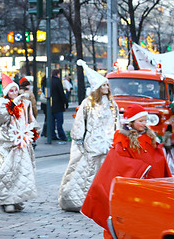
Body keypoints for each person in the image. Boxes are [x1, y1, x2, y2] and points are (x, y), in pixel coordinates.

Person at [81, 104, 172, 239]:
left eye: (145, 121)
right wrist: (140, 168)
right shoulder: (123, 140)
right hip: (132, 188)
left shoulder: (149, 137)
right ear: (131, 122)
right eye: (140, 121)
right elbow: (117, 163)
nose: (144, 124)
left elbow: (156, 158)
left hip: (147, 186)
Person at [58, 60, 120, 212]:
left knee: (105, 173)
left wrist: (117, 138)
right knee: (87, 173)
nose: (106, 87)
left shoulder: (113, 104)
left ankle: (102, 201)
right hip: (92, 143)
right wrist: (79, 139)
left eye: (107, 85)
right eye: (103, 85)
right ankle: (81, 200)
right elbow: (80, 122)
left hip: (108, 142)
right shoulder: (88, 103)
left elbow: (117, 121)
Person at [0, 73, 40, 213]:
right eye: (11, 90)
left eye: (15, 89)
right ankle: (6, 200)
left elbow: (30, 119)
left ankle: (17, 198)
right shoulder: (2, 104)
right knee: (5, 172)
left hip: (20, 142)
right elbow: (0, 120)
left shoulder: (25, 103)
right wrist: (12, 104)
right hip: (5, 142)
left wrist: (34, 130)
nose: (14, 92)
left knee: (20, 172)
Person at [50, 69, 67, 141]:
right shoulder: (58, 81)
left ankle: (52, 135)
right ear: (57, 74)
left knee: (52, 122)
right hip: (58, 105)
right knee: (59, 122)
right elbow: (61, 93)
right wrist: (65, 102)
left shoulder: (49, 81)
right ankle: (61, 135)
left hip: (50, 105)